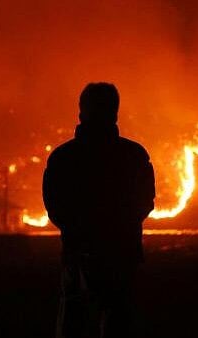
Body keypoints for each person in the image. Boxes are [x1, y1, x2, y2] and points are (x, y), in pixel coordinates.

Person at [43, 82, 155, 338]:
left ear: (81, 112)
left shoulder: (63, 157)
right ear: (115, 113)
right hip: (122, 254)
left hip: (78, 253)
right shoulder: (134, 156)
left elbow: (55, 207)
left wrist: (80, 232)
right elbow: (144, 202)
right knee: (118, 322)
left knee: (74, 321)